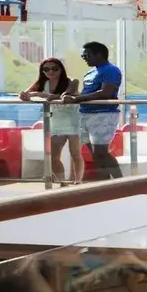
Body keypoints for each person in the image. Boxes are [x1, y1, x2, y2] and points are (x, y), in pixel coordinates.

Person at [58, 42, 122, 180]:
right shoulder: (90, 72)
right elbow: (87, 93)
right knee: (94, 153)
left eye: (86, 55)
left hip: (103, 114)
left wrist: (76, 99)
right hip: (85, 114)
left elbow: (106, 92)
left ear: (99, 54)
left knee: (101, 152)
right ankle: (104, 185)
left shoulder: (111, 70)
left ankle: (122, 184)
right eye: (83, 55)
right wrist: (70, 96)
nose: (84, 58)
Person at [20, 57, 84, 185]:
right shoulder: (43, 83)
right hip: (55, 122)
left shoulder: (72, 81)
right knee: (53, 156)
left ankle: (78, 182)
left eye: (55, 68)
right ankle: (62, 182)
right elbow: (24, 94)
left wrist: (39, 94)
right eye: (46, 69)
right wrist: (26, 95)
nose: (50, 72)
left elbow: (63, 96)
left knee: (75, 154)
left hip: (73, 121)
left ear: (61, 69)